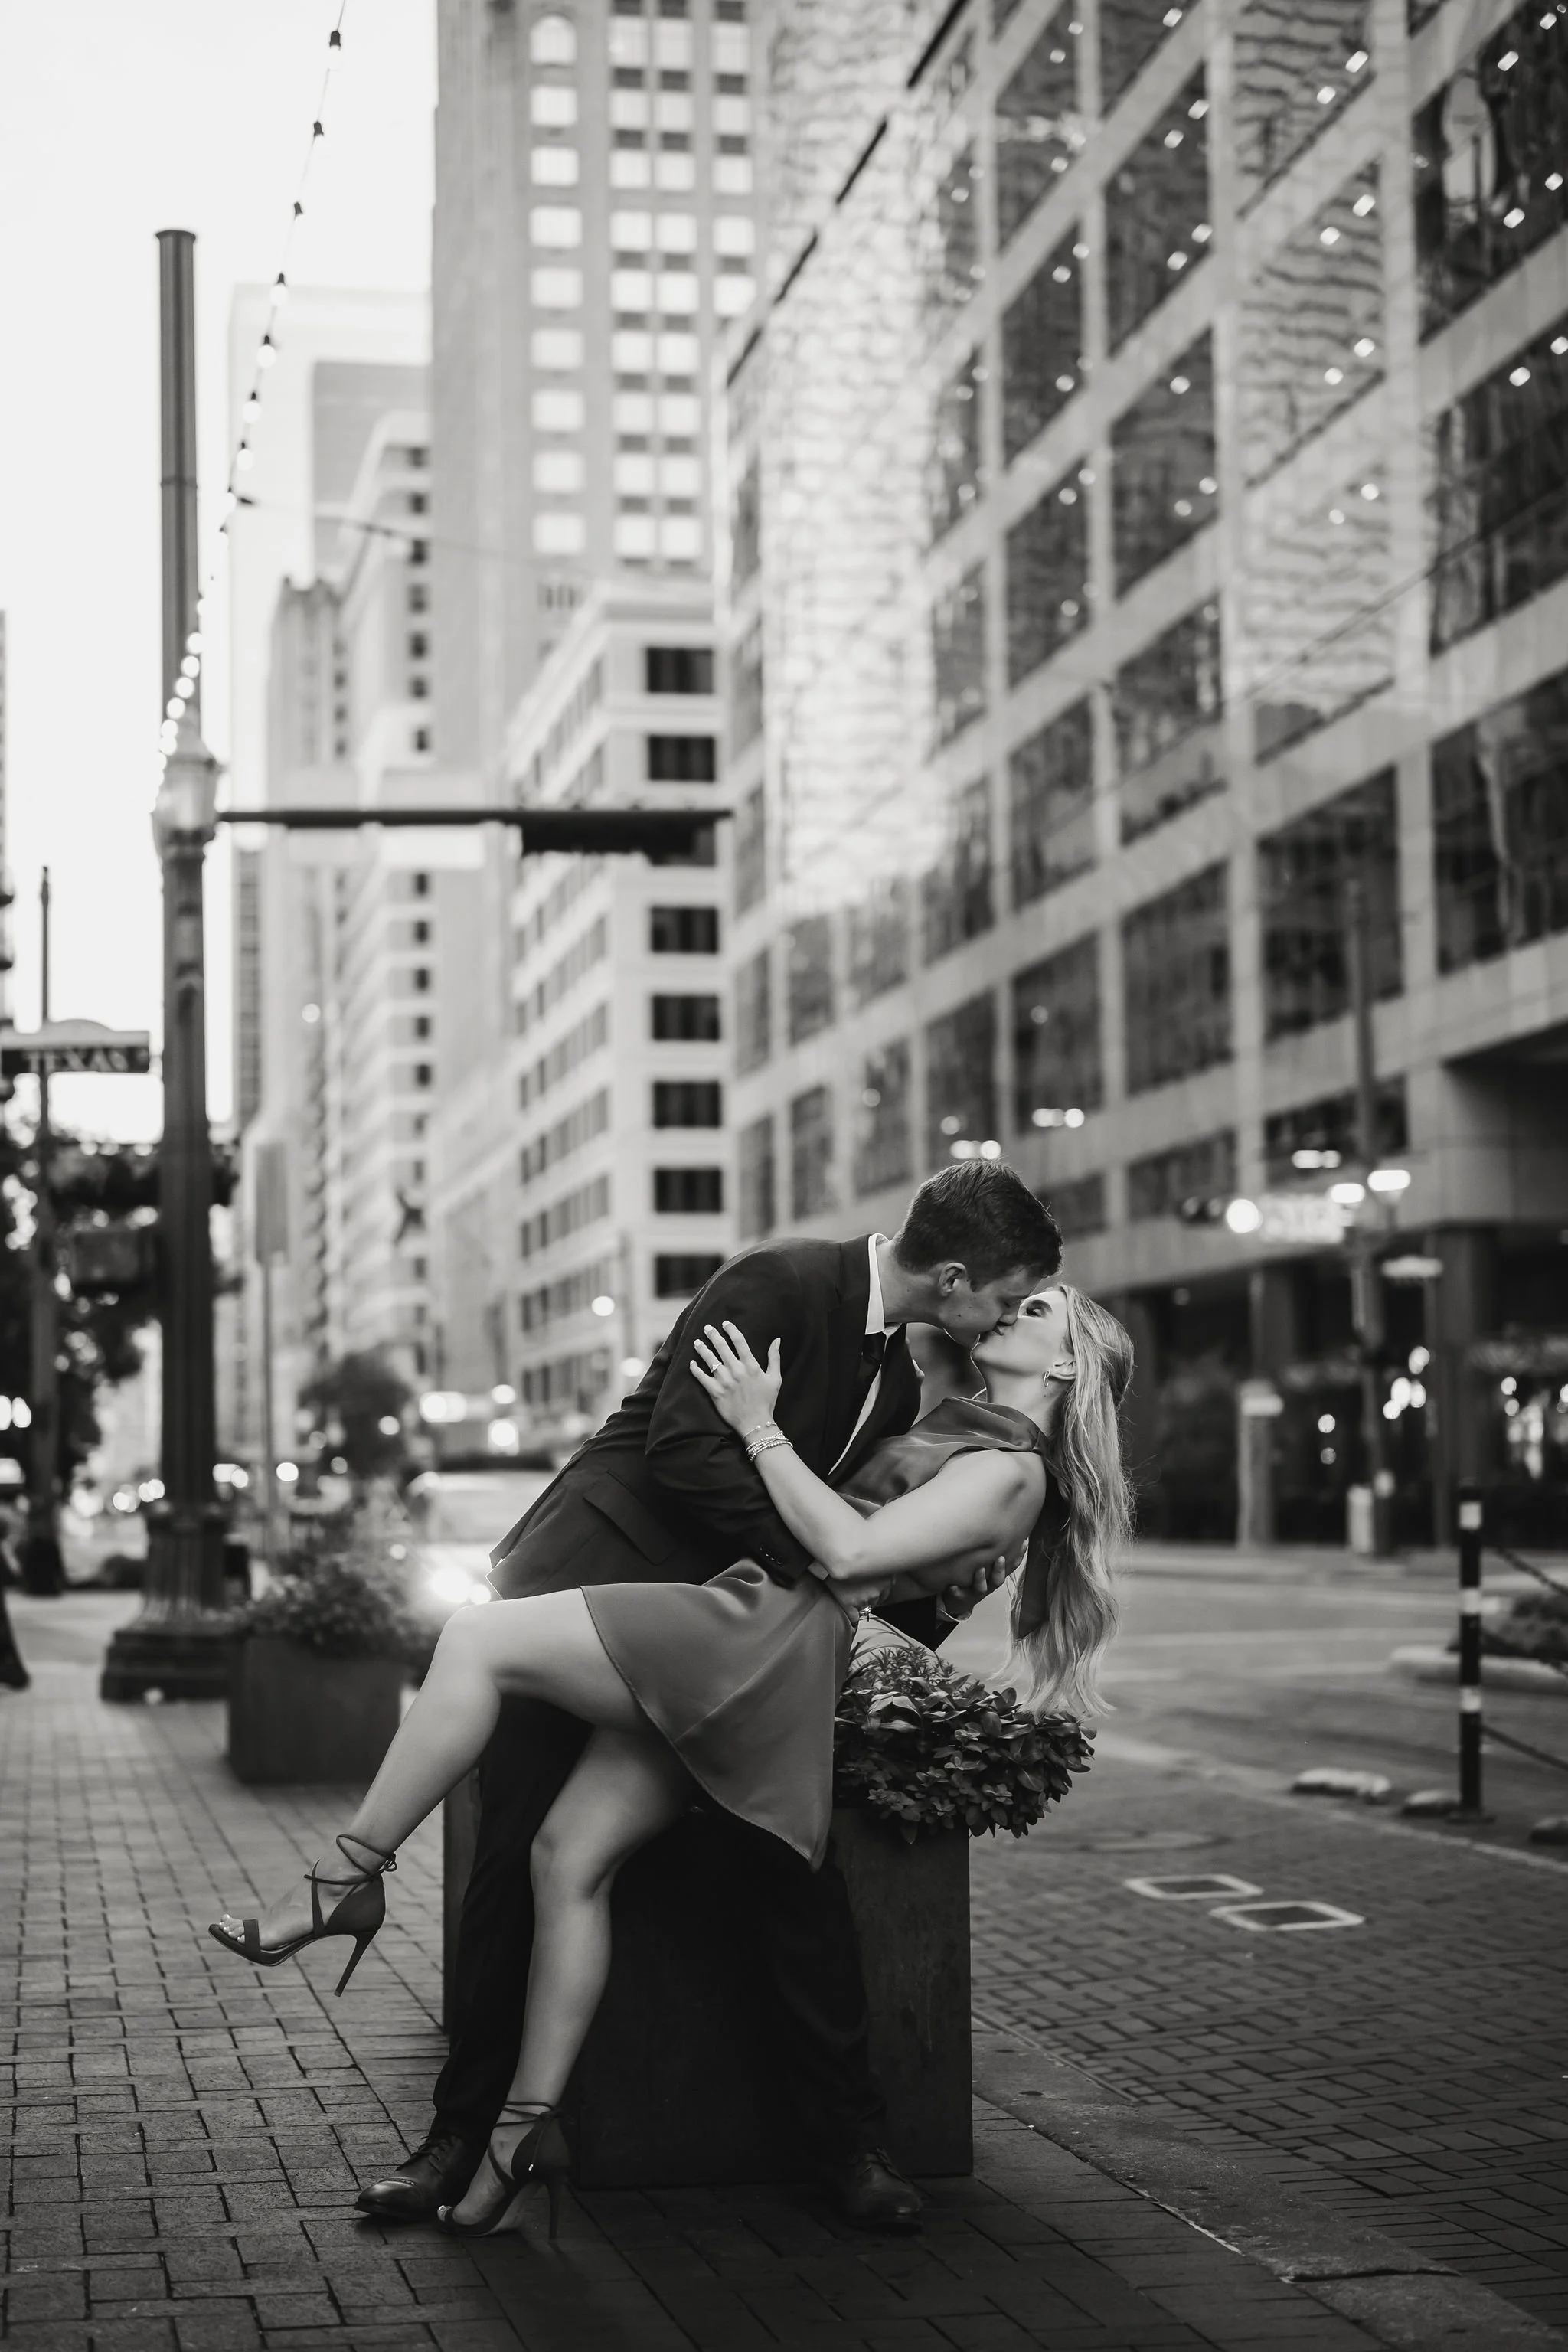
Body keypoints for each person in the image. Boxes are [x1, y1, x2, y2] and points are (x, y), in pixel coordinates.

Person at [209, 1275, 1132, 2240]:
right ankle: (514, 2138)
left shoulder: (1012, 1469)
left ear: (1066, 1363)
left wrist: (755, 1423)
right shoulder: (965, 1431)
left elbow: (853, 1558)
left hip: (760, 1635)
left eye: (1039, 1313)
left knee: (477, 1642)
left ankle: (343, 1881)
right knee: (565, 1860)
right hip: (765, 1648)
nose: (1016, 1311)